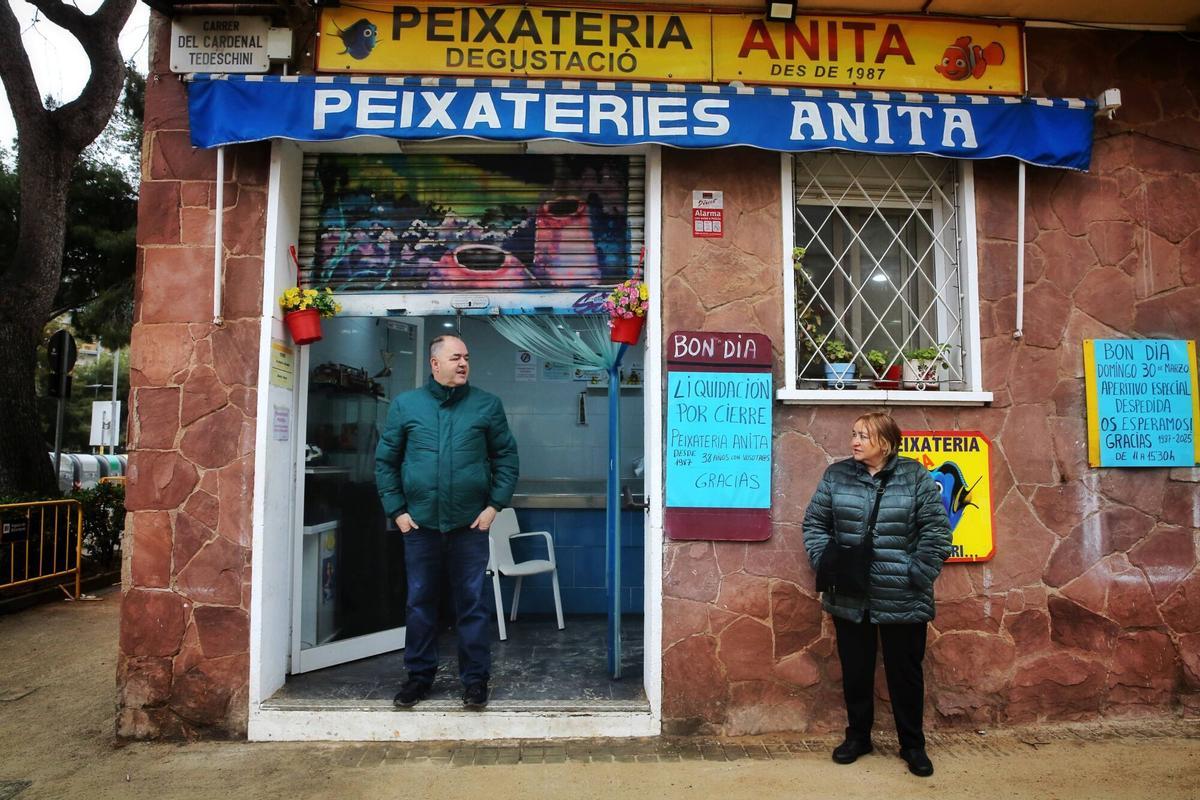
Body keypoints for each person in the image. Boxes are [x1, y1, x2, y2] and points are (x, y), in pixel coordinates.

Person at [802, 412, 951, 777]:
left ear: (885, 441)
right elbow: (814, 524)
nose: (855, 441)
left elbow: (937, 531)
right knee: (856, 671)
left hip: (903, 594)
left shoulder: (914, 476)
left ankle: (913, 746)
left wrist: (918, 572)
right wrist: (828, 560)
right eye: (854, 434)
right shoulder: (836, 475)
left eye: (864, 436)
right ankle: (858, 738)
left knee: (905, 674)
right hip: (851, 597)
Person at [375, 333, 519, 710]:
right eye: (456, 357)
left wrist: (493, 508)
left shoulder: (487, 405)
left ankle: (475, 681)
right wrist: (398, 513)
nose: (463, 364)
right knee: (420, 603)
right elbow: (386, 462)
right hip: (419, 526)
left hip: (469, 527)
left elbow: (506, 458)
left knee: (471, 604)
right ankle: (418, 678)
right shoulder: (407, 405)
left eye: (466, 356)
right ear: (434, 363)